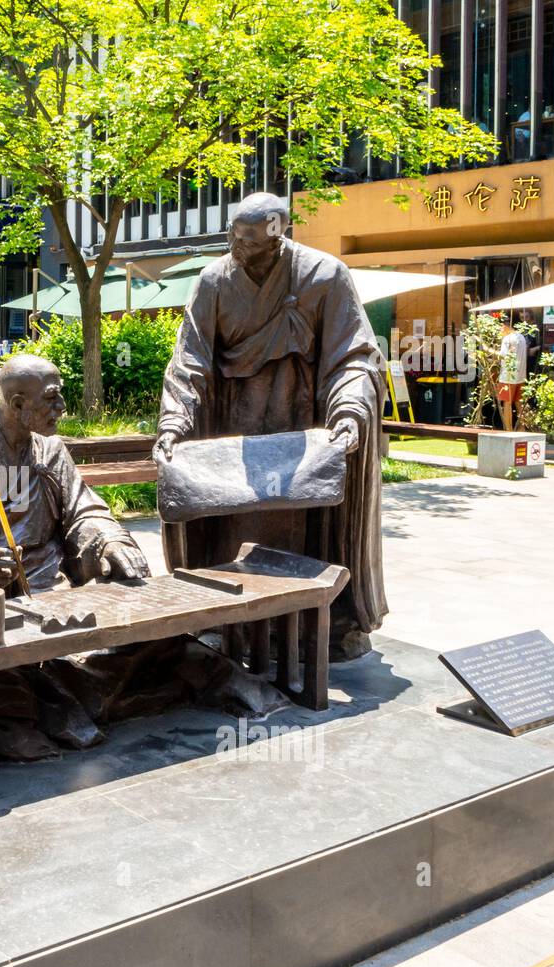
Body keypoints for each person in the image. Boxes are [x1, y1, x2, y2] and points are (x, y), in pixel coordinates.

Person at [0, 354, 291, 760]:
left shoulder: (49, 449)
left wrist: (107, 543)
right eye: (51, 399)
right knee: (2, 673)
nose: (62, 407)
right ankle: (66, 702)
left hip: (62, 594)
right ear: (16, 404)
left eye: (60, 395)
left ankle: (81, 698)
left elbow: (84, 511)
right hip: (7, 605)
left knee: (148, 632)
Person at [154, 192, 387, 659]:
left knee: (302, 531)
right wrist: (175, 421)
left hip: (302, 433)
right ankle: (229, 618)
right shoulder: (214, 280)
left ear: (278, 233)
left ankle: (310, 625)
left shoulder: (324, 276)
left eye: (250, 242)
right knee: (233, 530)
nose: (239, 249)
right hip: (234, 433)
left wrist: (348, 412)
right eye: (234, 238)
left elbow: (353, 357)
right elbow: (189, 359)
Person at [497, 321, 529, 431]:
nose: (500, 331)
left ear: (505, 326)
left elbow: (503, 356)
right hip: (521, 374)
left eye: (500, 328)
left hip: (508, 375)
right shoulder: (522, 337)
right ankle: (522, 429)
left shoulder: (507, 339)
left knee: (507, 402)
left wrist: (487, 349)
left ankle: (508, 430)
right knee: (519, 402)